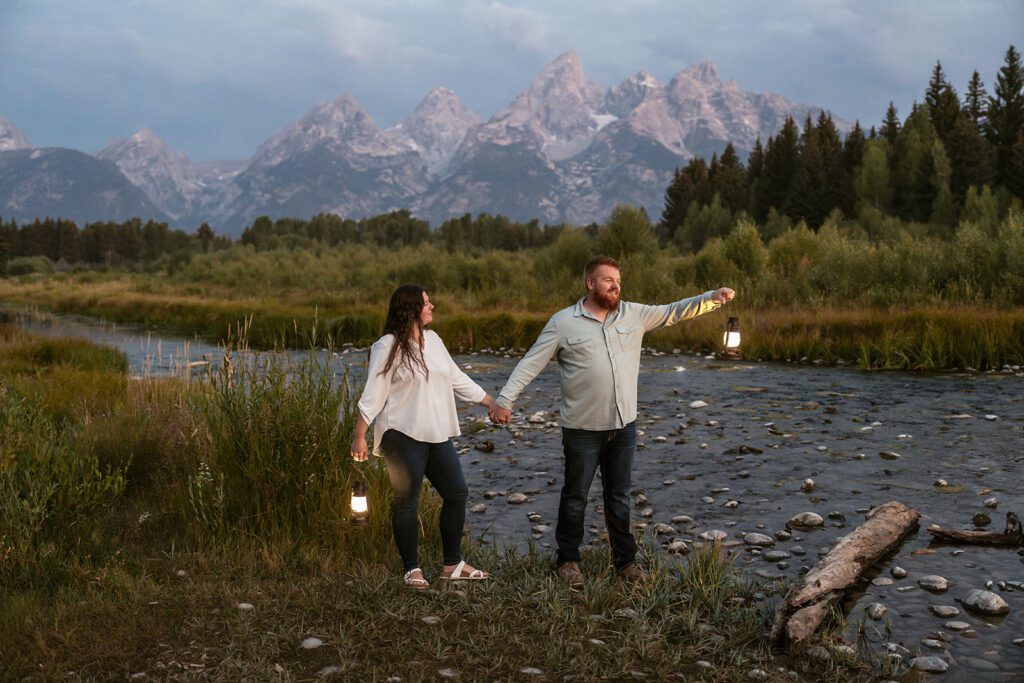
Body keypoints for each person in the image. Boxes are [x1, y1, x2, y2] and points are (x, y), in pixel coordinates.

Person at [489, 256, 735, 587]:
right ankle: (567, 561)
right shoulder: (563, 322)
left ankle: (626, 562)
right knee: (575, 495)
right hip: (581, 429)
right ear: (590, 283)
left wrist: (711, 299)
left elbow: (674, 310)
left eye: (618, 280)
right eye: (608, 280)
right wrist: (505, 400)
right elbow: (531, 363)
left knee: (618, 496)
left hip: (623, 427)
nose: (615, 285)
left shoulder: (635, 315)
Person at [351, 284, 496, 590]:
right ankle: (411, 570)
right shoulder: (387, 345)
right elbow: (373, 393)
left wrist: (490, 402)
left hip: (436, 433)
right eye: (427, 303)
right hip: (401, 435)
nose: (432, 307)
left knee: (457, 493)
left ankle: (452, 565)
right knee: (407, 502)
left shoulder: (433, 340)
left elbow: (456, 377)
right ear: (411, 309)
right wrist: (359, 435)